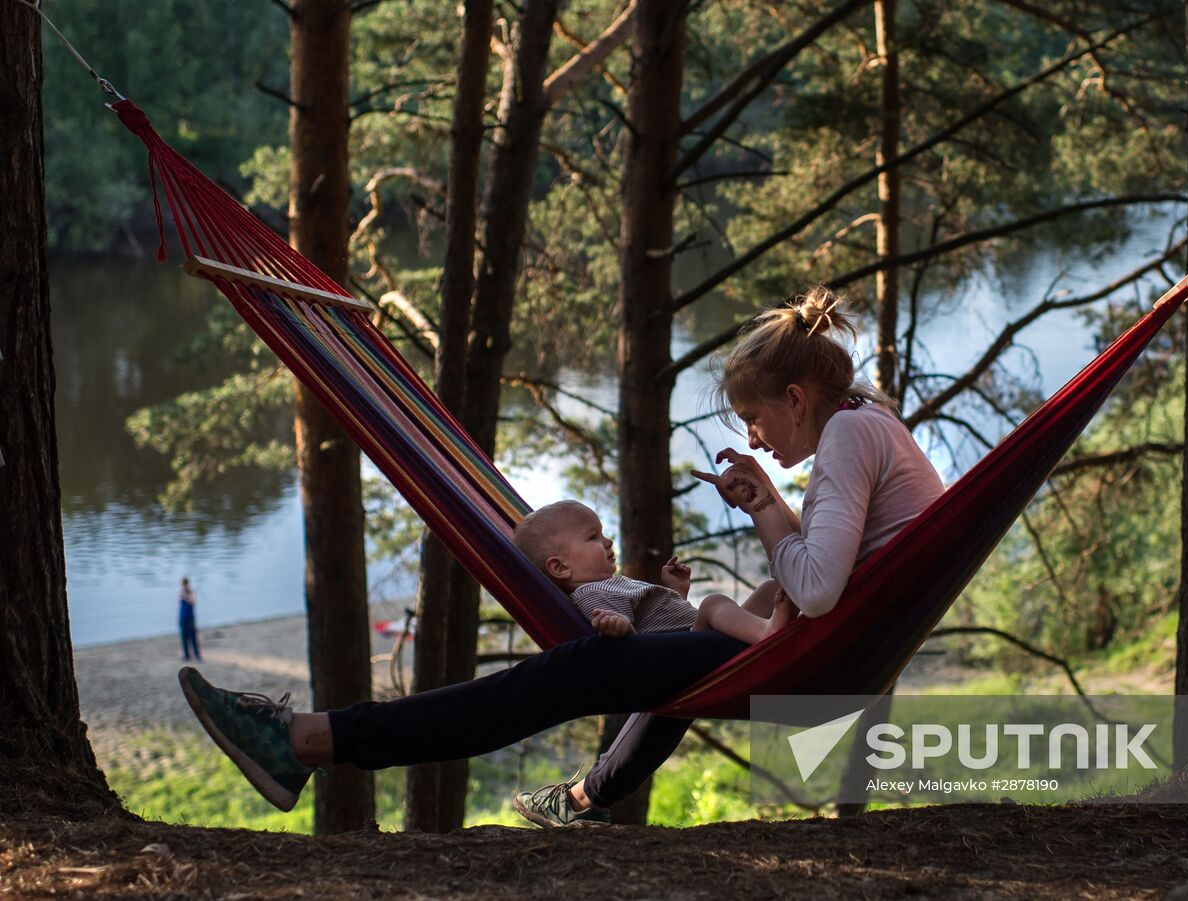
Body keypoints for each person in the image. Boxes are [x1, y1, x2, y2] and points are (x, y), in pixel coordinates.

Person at [176, 286, 944, 824]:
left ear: (797, 398)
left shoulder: (847, 434)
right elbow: (821, 585)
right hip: (828, 653)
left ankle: (308, 739)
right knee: (661, 662)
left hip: (822, 662)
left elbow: (811, 590)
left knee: (575, 672)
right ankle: (582, 798)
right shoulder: (867, 420)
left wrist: (770, 507)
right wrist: (753, 554)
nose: (753, 439)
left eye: (754, 417)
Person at [512, 499, 797, 644]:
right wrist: (618, 627)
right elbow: (637, 647)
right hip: (697, 653)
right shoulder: (592, 593)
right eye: (593, 538)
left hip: (695, 639)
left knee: (771, 590)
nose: (607, 541)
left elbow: (662, 623)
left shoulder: (613, 585)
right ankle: (766, 632)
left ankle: (795, 632)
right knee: (712, 604)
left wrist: (676, 593)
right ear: (560, 567)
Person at [178, 577, 202, 662]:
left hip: (190, 618)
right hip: (182, 618)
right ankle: (186, 655)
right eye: (183, 584)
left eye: (185, 584)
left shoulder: (190, 592)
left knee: (193, 637)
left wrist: (186, 597)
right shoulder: (181, 592)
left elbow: (193, 602)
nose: (184, 586)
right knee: (184, 637)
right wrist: (182, 595)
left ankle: (197, 655)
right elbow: (179, 601)